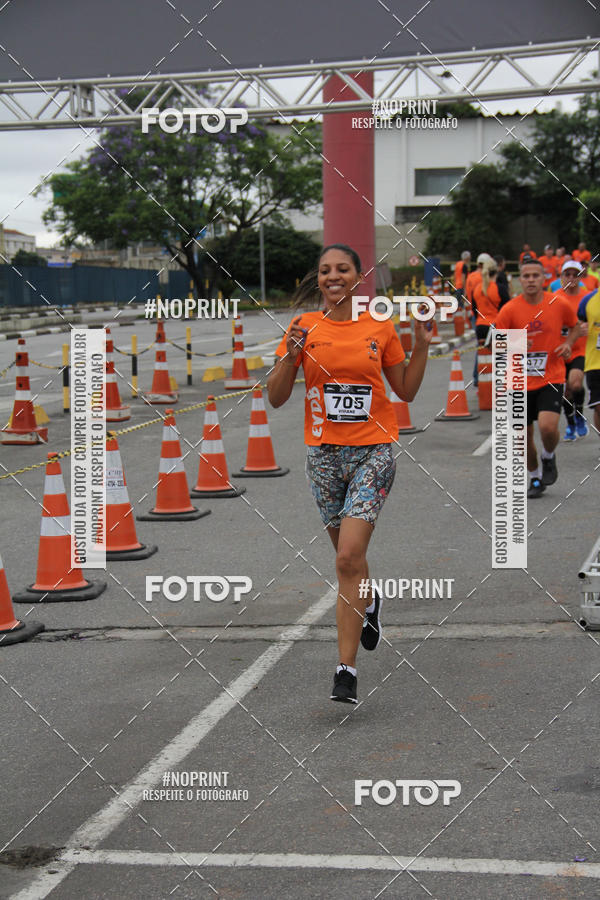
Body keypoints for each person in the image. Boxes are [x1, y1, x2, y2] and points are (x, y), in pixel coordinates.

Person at [267, 244, 432, 704]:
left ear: (359, 278)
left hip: (373, 453)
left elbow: (406, 390)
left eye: (343, 269)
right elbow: (276, 397)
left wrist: (420, 346)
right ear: (317, 279)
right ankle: (370, 600)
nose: (333, 276)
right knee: (349, 561)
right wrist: (289, 355)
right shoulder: (302, 327)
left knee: (346, 560)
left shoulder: (379, 327)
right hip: (322, 456)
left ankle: (346, 670)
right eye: (324, 270)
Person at [494, 258, 581, 499]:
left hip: (550, 376)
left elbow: (574, 326)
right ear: (519, 280)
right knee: (523, 436)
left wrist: (568, 344)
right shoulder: (509, 310)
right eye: (526, 276)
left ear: (544, 279)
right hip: (518, 381)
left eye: (535, 275)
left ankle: (549, 456)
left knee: (547, 426)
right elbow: (497, 344)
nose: (531, 280)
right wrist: (516, 343)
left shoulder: (558, 303)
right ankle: (534, 477)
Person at [554, 261, 589, 440]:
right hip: (560, 351)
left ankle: (580, 416)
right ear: (561, 277)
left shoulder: (586, 297)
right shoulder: (554, 298)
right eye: (567, 274)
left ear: (580, 277)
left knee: (575, 384)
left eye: (574, 274)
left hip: (580, 350)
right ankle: (571, 424)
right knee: (565, 392)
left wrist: (589, 327)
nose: (570, 278)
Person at [465, 253, 494, 385]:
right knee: (486, 348)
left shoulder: (470, 276)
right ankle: (480, 377)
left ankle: (478, 376)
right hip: (486, 315)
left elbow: (467, 294)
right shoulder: (483, 278)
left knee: (480, 347)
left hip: (474, 314)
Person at [578, 282, 600, 440]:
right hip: (595, 362)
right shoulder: (588, 300)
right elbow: (577, 324)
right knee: (599, 407)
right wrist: (581, 328)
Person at [473, 260, 501, 374]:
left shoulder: (477, 289)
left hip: (480, 326)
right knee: (499, 360)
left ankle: (480, 381)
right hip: (495, 326)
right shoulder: (499, 288)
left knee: (483, 358)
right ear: (496, 272)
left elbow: (474, 309)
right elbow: (507, 310)